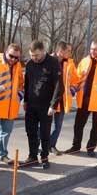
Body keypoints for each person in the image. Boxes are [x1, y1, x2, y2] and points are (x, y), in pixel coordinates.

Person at [65, 38, 97, 157]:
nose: (92, 51)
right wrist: (72, 89)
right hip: (84, 98)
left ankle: (91, 148)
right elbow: (77, 77)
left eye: (96, 49)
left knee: (96, 126)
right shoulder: (85, 61)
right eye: (91, 49)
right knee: (78, 124)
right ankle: (76, 146)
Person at [23, 40, 62, 169]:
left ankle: (44, 157)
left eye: (37, 55)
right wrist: (26, 101)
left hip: (46, 106)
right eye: (32, 56)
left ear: (43, 51)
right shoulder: (29, 64)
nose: (35, 58)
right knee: (31, 132)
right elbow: (27, 84)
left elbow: (58, 85)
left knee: (45, 133)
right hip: (31, 105)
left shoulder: (53, 62)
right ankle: (32, 156)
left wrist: (53, 105)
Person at [49, 41, 80, 155]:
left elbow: (76, 81)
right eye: (68, 51)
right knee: (44, 125)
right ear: (61, 52)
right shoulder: (48, 61)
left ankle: (52, 145)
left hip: (62, 101)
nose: (70, 53)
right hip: (49, 100)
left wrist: (72, 90)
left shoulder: (70, 63)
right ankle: (41, 145)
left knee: (58, 126)